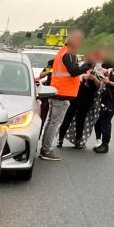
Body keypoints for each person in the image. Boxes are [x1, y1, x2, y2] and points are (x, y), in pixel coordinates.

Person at [39, 30, 92, 161]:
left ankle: (45, 149)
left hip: (58, 92)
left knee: (51, 122)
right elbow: (73, 72)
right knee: (54, 123)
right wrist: (88, 65)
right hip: (62, 93)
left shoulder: (64, 52)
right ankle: (46, 150)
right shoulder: (68, 53)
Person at [58, 46, 109, 149]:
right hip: (74, 98)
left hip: (87, 100)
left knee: (81, 121)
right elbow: (72, 77)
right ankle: (60, 139)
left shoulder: (97, 72)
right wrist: (82, 77)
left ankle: (78, 141)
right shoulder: (79, 68)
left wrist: (94, 78)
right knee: (67, 119)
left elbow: (100, 87)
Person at [38, 59, 53, 135]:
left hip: (60, 94)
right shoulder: (51, 64)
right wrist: (49, 71)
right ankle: (39, 134)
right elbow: (41, 75)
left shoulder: (68, 64)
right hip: (48, 92)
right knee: (43, 116)